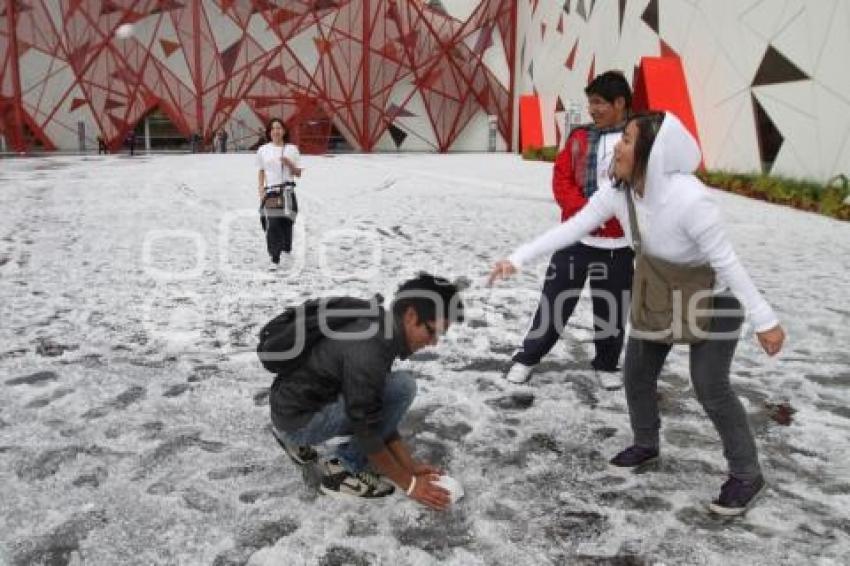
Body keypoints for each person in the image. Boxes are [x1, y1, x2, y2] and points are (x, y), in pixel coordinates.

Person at [488, 112, 786, 516]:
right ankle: (646, 443)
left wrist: (764, 320)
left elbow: (727, 261)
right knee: (637, 374)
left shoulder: (691, 200)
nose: (617, 147)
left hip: (712, 299)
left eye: (627, 140)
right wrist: (517, 258)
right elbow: (573, 228)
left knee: (709, 385)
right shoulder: (619, 192)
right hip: (658, 294)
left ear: (654, 152)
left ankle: (747, 474)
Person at [269, 274, 464, 508]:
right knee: (402, 387)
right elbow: (367, 428)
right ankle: (341, 473)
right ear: (411, 316)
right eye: (431, 331)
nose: (433, 342)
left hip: (288, 404)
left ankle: (294, 439)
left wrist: (409, 467)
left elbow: (376, 406)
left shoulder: (378, 324)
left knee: (390, 390)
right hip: (299, 422)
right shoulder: (371, 347)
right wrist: (410, 485)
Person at [504, 71, 635, 390]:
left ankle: (606, 364)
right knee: (554, 303)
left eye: (599, 103)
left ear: (620, 103)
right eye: (591, 103)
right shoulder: (579, 137)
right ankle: (527, 358)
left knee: (612, 311)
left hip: (619, 245)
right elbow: (561, 177)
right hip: (576, 239)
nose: (593, 109)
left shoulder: (638, 140)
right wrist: (585, 212)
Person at [256, 118, 302, 265]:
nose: (276, 131)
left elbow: (298, 173)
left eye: (279, 128)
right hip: (272, 192)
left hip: (288, 191)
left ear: (284, 131)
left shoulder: (292, 149)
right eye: (273, 128)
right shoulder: (263, 150)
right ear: (269, 132)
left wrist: (289, 164)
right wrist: (261, 188)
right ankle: (274, 258)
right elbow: (261, 170)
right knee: (273, 223)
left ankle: (286, 248)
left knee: (287, 222)